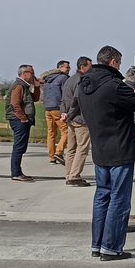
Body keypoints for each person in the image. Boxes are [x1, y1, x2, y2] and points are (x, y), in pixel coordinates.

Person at [77, 45, 135, 261]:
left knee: (102, 196)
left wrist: (127, 97)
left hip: (100, 147)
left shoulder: (84, 84)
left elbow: (106, 107)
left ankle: (97, 245)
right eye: (119, 63)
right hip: (120, 148)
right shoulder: (114, 85)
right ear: (113, 61)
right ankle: (112, 248)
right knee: (119, 199)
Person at [6, 64, 42, 182]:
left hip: (22, 120)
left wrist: (36, 87)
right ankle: (16, 172)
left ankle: (17, 171)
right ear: (25, 73)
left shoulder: (25, 86)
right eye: (32, 73)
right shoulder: (18, 86)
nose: (33, 76)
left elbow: (34, 98)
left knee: (21, 146)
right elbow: (15, 104)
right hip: (18, 120)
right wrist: (23, 118)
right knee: (19, 146)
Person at [60, 56, 93, 187]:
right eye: (90, 67)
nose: (91, 69)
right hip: (80, 119)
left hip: (71, 119)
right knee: (82, 148)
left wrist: (64, 113)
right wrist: (69, 114)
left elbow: (64, 99)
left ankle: (69, 174)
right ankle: (74, 176)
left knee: (71, 148)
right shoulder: (82, 80)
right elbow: (77, 100)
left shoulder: (69, 80)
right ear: (82, 67)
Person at [39, 60, 71, 165]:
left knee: (51, 133)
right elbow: (66, 94)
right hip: (58, 108)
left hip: (47, 108)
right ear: (60, 67)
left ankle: (52, 157)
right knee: (66, 131)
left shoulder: (48, 79)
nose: (69, 69)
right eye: (67, 67)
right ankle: (59, 152)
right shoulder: (64, 78)